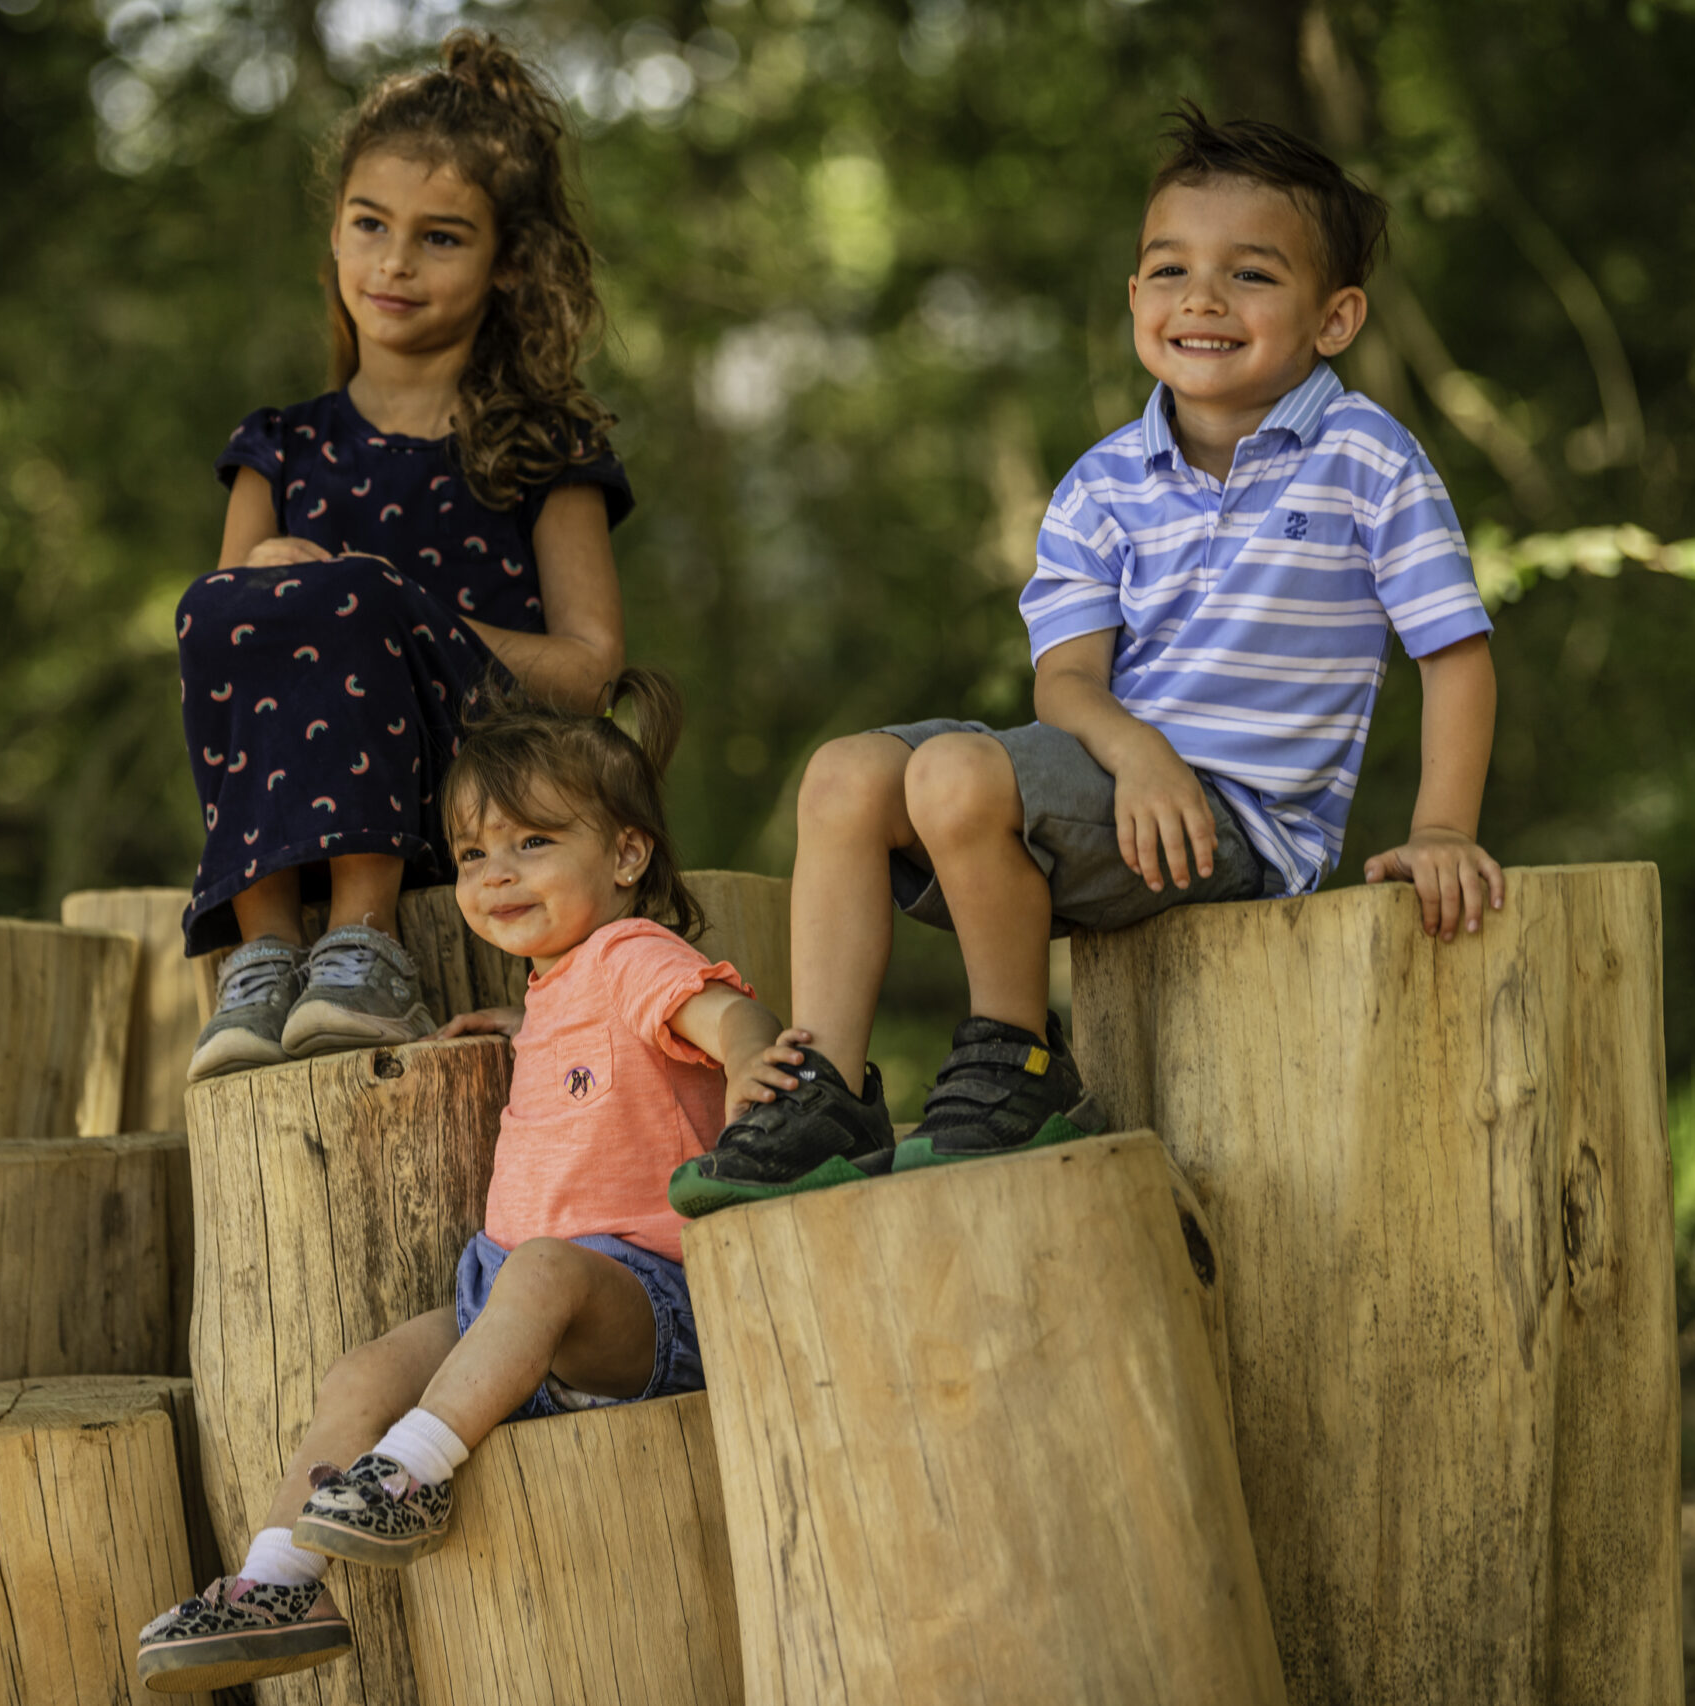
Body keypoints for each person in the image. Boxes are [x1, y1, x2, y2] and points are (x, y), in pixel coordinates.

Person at [671, 102, 1506, 1212]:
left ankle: (1017, 1060)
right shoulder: (1103, 481)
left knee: (956, 774)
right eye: (1169, 269)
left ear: (1334, 317)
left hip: (1241, 823)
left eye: (1250, 275)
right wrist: (1140, 751)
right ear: (1133, 299)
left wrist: (1442, 826)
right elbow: (1064, 682)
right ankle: (826, 1083)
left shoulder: (1366, 458)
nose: (1200, 299)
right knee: (843, 775)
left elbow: (1454, 650)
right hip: (1118, 776)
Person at [134, 671, 785, 1694]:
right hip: (512, 1294)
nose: (494, 873)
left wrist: (749, 1061)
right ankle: (279, 1579)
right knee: (360, 1371)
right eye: (474, 851)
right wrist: (526, 1031)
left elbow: (715, 1011)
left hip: (643, 1298)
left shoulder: (630, 948)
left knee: (542, 1270)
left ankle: (410, 1474)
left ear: (626, 853)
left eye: (533, 842)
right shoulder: (558, 981)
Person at [177, 31, 633, 1083]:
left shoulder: (545, 445)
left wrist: (395, 609)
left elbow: (591, 666)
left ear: (506, 263)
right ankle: (267, 949)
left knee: (342, 595)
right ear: (332, 232)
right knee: (218, 602)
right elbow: (227, 639)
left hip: (481, 794)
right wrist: (296, 586)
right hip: (296, 818)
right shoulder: (279, 446)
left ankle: (367, 942)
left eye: (440, 238)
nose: (392, 262)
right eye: (369, 224)